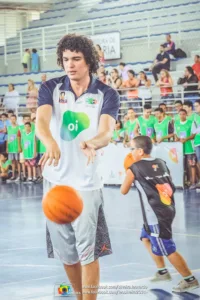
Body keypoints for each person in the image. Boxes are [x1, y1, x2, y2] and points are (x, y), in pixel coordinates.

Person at [36, 34, 120, 299]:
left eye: (76, 59)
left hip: (86, 183)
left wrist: (93, 143)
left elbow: (107, 131)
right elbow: (41, 122)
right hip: (55, 183)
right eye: (65, 60)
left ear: (89, 61)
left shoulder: (106, 94)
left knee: (87, 252)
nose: (69, 65)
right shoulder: (50, 87)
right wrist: (49, 141)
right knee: (67, 254)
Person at [120, 135, 200, 293]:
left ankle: (189, 279)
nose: (130, 153)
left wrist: (128, 172)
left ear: (140, 151)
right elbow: (171, 186)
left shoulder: (134, 168)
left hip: (155, 216)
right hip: (167, 208)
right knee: (145, 237)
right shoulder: (161, 163)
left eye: (132, 149)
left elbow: (123, 191)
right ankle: (162, 271)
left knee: (168, 248)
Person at [174, 109, 196, 189]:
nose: (182, 116)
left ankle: (193, 182)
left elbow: (194, 134)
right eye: (180, 114)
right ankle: (185, 182)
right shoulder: (176, 123)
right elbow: (175, 134)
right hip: (180, 149)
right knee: (182, 166)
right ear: (178, 115)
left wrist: (186, 139)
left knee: (191, 165)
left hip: (189, 148)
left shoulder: (191, 122)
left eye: (183, 114)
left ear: (186, 115)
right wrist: (176, 139)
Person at [6, 114, 21, 181]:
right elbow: (7, 138)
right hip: (10, 147)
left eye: (14, 119)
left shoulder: (19, 127)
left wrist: (19, 147)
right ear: (9, 120)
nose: (12, 120)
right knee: (12, 162)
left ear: (16, 119)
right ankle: (13, 175)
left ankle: (19, 176)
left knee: (18, 162)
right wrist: (7, 147)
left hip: (16, 147)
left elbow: (20, 138)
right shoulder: (8, 127)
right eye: (11, 119)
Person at [193, 99, 200, 188]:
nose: (196, 108)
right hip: (197, 142)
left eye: (197, 106)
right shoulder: (195, 117)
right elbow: (193, 130)